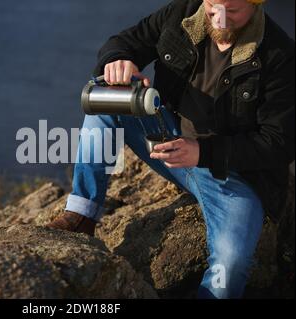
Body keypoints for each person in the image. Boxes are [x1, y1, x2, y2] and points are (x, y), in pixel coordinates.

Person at [46, 0, 295, 299]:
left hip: (235, 176)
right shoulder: (181, 12)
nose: (221, 19)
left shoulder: (281, 54)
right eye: (215, 7)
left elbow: (279, 143)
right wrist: (119, 60)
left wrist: (202, 152)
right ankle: (82, 215)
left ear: (256, 4)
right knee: (104, 101)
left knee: (231, 266)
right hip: (168, 140)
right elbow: (124, 42)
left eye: (234, 10)